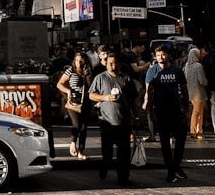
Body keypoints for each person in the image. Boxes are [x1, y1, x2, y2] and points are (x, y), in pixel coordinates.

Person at [88, 52, 137, 187]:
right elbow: (92, 95)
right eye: (109, 63)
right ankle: (104, 167)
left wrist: (135, 116)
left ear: (119, 64)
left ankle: (123, 178)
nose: (112, 65)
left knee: (124, 153)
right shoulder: (100, 78)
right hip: (107, 121)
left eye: (114, 63)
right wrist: (105, 98)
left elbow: (133, 99)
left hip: (124, 121)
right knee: (107, 153)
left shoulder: (126, 79)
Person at [146, 45, 189, 183]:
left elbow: (184, 88)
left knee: (181, 139)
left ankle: (175, 166)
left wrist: (187, 108)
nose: (160, 57)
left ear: (168, 55)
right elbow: (149, 91)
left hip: (176, 109)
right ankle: (171, 170)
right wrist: (150, 110)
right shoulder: (152, 71)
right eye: (158, 55)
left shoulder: (177, 70)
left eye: (163, 55)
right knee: (164, 142)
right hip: (161, 110)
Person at [57, 51, 93, 160]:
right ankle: (72, 143)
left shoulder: (88, 72)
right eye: (77, 60)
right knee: (77, 125)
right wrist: (68, 91)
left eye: (81, 61)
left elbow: (91, 86)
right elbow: (59, 84)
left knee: (84, 127)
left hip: (86, 101)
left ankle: (81, 151)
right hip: (73, 101)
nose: (78, 63)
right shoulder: (70, 71)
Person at [185, 47, 208, 139]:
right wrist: (207, 82)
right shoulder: (198, 66)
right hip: (199, 92)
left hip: (190, 92)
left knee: (197, 111)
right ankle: (193, 131)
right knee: (197, 112)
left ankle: (199, 131)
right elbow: (202, 81)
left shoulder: (186, 66)